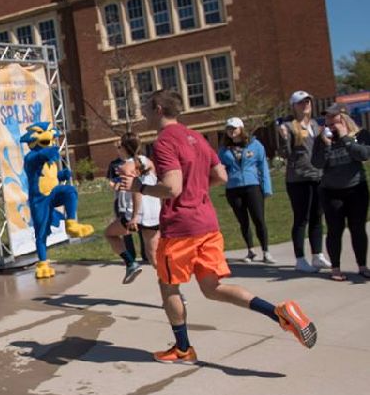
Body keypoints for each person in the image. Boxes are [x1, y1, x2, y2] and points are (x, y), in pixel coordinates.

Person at [118, 90, 317, 364]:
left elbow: (173, 188)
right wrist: (196, 187)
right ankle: (278, 312)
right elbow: (221, 174)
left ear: (159, 108)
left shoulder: (164, 141)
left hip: (180, 229)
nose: (143, 113)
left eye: (146, 107)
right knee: (213, 288)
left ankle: (183, 348)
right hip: (207, 224)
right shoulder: (197, 137)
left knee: (168, 285)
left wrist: (139, 186)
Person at [311, 104, 370, 281]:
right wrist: (326, 144)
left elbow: (363, 155)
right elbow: (318, 163)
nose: (330, 124)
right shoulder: (322, 140)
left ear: (344, 119)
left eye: (334, 119)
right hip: (331, 191)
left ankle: (362, 265)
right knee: (334, 230)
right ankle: (335, 268)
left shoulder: (360, 135)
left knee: (358, 228)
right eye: (327, 120)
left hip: (356, 188)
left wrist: (345, 138)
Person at [277, 91, 331, 273]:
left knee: (317, 216)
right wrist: (284, 139)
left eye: (307, 101)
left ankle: (317, 255)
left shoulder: (315, 125)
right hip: (298, 179)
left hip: (317, 176)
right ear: (294, 106)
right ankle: (300, 259)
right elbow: (286, 154)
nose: (305, 105)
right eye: (301, 102)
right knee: (301, 219)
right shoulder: (289, 126)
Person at [105, 133, 161, 284]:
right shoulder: (148, 162)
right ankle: (174, 289)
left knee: (109, 234)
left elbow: (137, 191)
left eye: (119, 146)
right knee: (154, 257)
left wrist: (135, 217)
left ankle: (131, 263)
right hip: (153, 213)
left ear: (124, 148)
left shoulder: (125, 167)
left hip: (136, 214)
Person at [219, 117, 274, 263]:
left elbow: (263, 167)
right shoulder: (224, 150)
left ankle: (266, 251)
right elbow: (220, 168)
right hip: (233, 188)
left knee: (259, 219)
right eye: (229, 129)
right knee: (243, 221)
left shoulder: (255, 145)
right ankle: (250, 250)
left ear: (241, 129)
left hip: (252, 186)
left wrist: (266, 188)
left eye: (234, 128)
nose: (232, 132)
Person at [106, 142, 140, 262]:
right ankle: (131, 256)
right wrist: (116, 185)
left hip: (134, 198)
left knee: (139, 225)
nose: (119, 149)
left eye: (121, 146)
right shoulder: (114, 164)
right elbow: (111, 182)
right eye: (117, 147)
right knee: (125, 228)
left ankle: (146, 254)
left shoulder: (136, 162)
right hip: (121, 200)